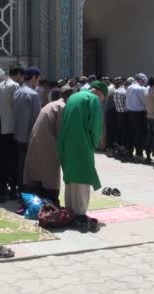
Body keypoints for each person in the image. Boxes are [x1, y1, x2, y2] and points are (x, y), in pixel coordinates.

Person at [58, 81, 108, 233]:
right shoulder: (91, 99)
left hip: (66, 142)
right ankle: (79, 213)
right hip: (81, 143)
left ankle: (69, 211)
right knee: (82, 176)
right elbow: (95, 125)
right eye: (102, 100)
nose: (100, 103)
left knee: (71, 177)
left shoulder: (74, 96)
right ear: (99, 93)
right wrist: (93, 143)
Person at [23, 86, 75, 206]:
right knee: (51, 171)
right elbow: (61, 131)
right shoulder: (62, 107)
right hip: (48, 142)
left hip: (37, 140)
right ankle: (51, 200)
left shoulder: (51, 104)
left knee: (39, 171)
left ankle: (40, 197)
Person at [14, 67, 42, 196]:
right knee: (30, 164)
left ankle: (21, 187)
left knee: (20, 162)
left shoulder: (18, 91)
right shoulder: (33, 94)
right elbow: (38, 117)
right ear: (34, 77)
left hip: (18, 134)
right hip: (29, 135)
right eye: (38, 79)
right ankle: (28, 188)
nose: (38, 82)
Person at [0, 66, 24, 194]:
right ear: (18, 74)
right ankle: (13, 187)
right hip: (13, 127)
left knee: (6, 157)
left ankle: (5, 184)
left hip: (4, 126)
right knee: (14, 159)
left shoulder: (1, 85)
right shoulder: (14, 86)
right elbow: (17, 106)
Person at [126, 73, 148, 163]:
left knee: (131, 134)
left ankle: (130, 153)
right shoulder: (141, 88)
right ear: (142, 80)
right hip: (139, 114)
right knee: (139, 135)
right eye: (144, 82)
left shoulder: (130, 87)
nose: (144, 84)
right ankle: (139, 154)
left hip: (130, 112)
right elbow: (144, 101)